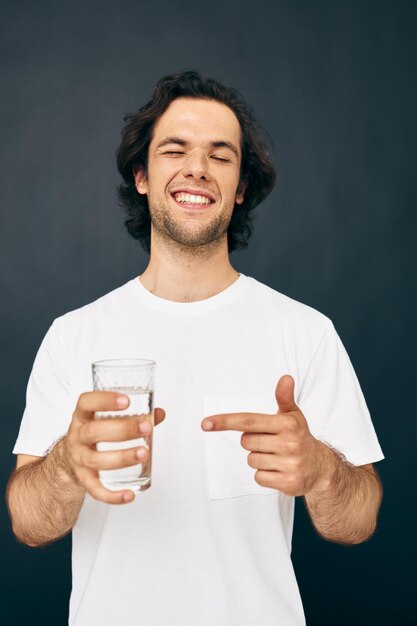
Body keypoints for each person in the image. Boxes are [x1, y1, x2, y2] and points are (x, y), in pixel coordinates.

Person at [6, 70, 383, 626]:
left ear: (240, 188)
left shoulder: (305, 332)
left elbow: (361, 519)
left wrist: (323, 470)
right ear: (141, 174)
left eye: (221, 155)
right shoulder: (73, 336)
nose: (197, 168)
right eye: (175, 149)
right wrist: (64, 464)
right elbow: (27, 524)